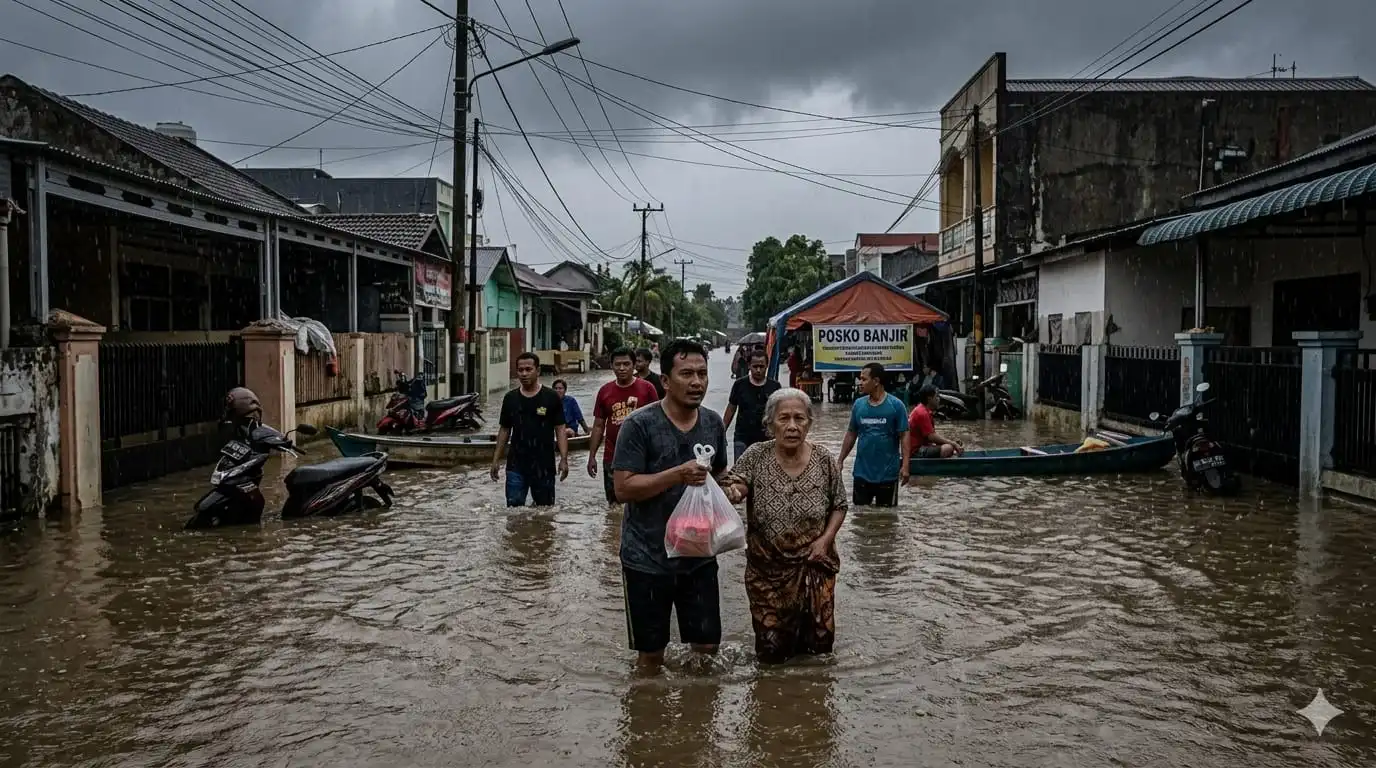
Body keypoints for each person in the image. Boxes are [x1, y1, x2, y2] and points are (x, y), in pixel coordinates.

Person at [612, 338, 729, 667]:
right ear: (664, 380)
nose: (696, 382)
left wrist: (731, 491)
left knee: (707, 651)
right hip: (647, 558)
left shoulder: (712, 424)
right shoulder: (639, 425)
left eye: (703, 374)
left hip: (699, 556)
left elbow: (719, 475)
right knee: (650, 657)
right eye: (687, 374)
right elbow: (623, 488)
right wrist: (677, 474)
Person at [722, 388, 848, 664]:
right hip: (767, 570)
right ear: (770, 424)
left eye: (799, 419)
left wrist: (824, 541)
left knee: (818, 648)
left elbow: (839, 505)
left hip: (814, 564)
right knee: (771, 649)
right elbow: (738, 482)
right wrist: (735, 491)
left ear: (809, 423)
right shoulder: (756, 454)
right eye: (784, 419)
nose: (792, 426)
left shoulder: (825, 459)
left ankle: (809, 700)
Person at [491, 352, 569, 506]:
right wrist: (495, 460)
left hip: (544, 465)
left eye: (528, 369)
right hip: (516, 464)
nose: (524, 374)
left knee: (545, 512)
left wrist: (564, 459)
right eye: (520, 370)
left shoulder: (551, 397)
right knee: (514, 512)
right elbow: (504, 430)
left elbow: (560, 429)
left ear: (538, 371)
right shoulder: (510, 398)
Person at [588, 348, 660, 507]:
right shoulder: (605, 391)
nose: (622, 368)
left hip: (642, 454)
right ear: (611, 366)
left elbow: (657, 423)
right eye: (617, 364)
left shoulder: (647, 388)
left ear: (634, 365)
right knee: (614, 505)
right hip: (612, 457)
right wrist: (592, 456)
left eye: (626, 364)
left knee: (642, 503)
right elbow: (599, 426)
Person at [836, 363, 910, 507]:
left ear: (876, 381)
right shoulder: (858, 405)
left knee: (887, 519)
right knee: (861, 516)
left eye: (864, 379)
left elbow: (905, 436)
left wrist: (906, 466)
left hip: (887, 474)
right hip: (861, 473)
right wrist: (840, 460)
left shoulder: (896, 406)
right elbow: (851, 434)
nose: (860, 383)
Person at [723, 349, 781, 460]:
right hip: (742, 438)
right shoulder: (739, 385)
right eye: (755, 367)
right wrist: (721, 432)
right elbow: (731, 409)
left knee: (765, 473)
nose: (758, 370)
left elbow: (779, 413)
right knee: (740, 473)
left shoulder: (774, 386)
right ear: (749, 366)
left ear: (766, 366)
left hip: (766, 439)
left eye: (761, 366)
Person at [908, 385, 963, 459]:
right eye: (937, 396)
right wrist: (952, 443)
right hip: (915, 451)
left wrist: (952, 442)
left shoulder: (924, 410)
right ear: (929, 399)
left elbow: (932, 437)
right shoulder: (922, 413)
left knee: (950, 445)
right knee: (948, 448)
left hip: (922, 446)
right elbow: (932, 437)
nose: (939, 399)